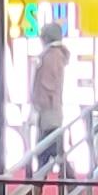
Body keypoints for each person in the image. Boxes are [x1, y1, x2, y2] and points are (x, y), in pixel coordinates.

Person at [29, 21, 73, 178]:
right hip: (53, 109)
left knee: (46, 151)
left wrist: (37, 106)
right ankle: (68, 183)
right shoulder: (57, 55)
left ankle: (38, 187)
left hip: (48, 110)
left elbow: (46, 85)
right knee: (53, 151)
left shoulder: (50, 57)